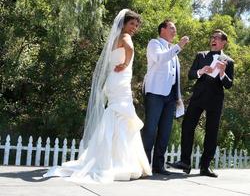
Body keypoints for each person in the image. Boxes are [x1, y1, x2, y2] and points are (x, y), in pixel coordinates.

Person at [43, 9, 152, 183]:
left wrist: (122, 64)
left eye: (136, 25)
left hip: (114, 80)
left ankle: (111, 157)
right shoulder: (125, 37)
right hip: (120, 80)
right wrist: (125, 63)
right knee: (122, 114)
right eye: (132, 24)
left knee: (118, 114)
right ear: (123, 24)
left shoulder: (114, 39)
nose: (134, 28)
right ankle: (120, 161)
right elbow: (129, 49)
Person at [167, 29, 234, 177]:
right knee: (187, 126)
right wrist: (200, 71)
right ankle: (185, 162)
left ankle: (205, 167)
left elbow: (229, 85)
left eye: (217, 38)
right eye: (212, 37)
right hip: (198, 98)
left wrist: (222, 73)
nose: (213, 39)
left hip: (215, 101)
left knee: (211, 132)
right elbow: (191, 75)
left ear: (223, 42)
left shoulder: (229, 61)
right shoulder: (201, 55)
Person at [141, 19, 189, 175]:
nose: (175, 31)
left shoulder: (172, 50)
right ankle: (144, 164)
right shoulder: (154, 44)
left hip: (170, 98)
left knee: (165, 131)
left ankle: (158, 165)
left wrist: (178, 97)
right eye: (172, 28)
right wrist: (179, 47)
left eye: (175, 29)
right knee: (150, 129)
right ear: (162, 29)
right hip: (155, 93)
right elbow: (161, 59)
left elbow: (175, 77)